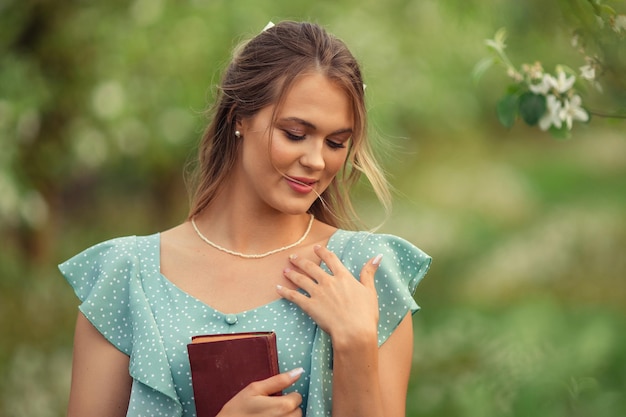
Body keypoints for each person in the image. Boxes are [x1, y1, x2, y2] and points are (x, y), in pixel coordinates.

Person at [59, 20, 431, 417]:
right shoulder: (127, 275)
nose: (317, 160)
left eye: (336, 142)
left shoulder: (364, 275)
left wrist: (356, 344)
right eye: (294, 133)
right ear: (240, 117)